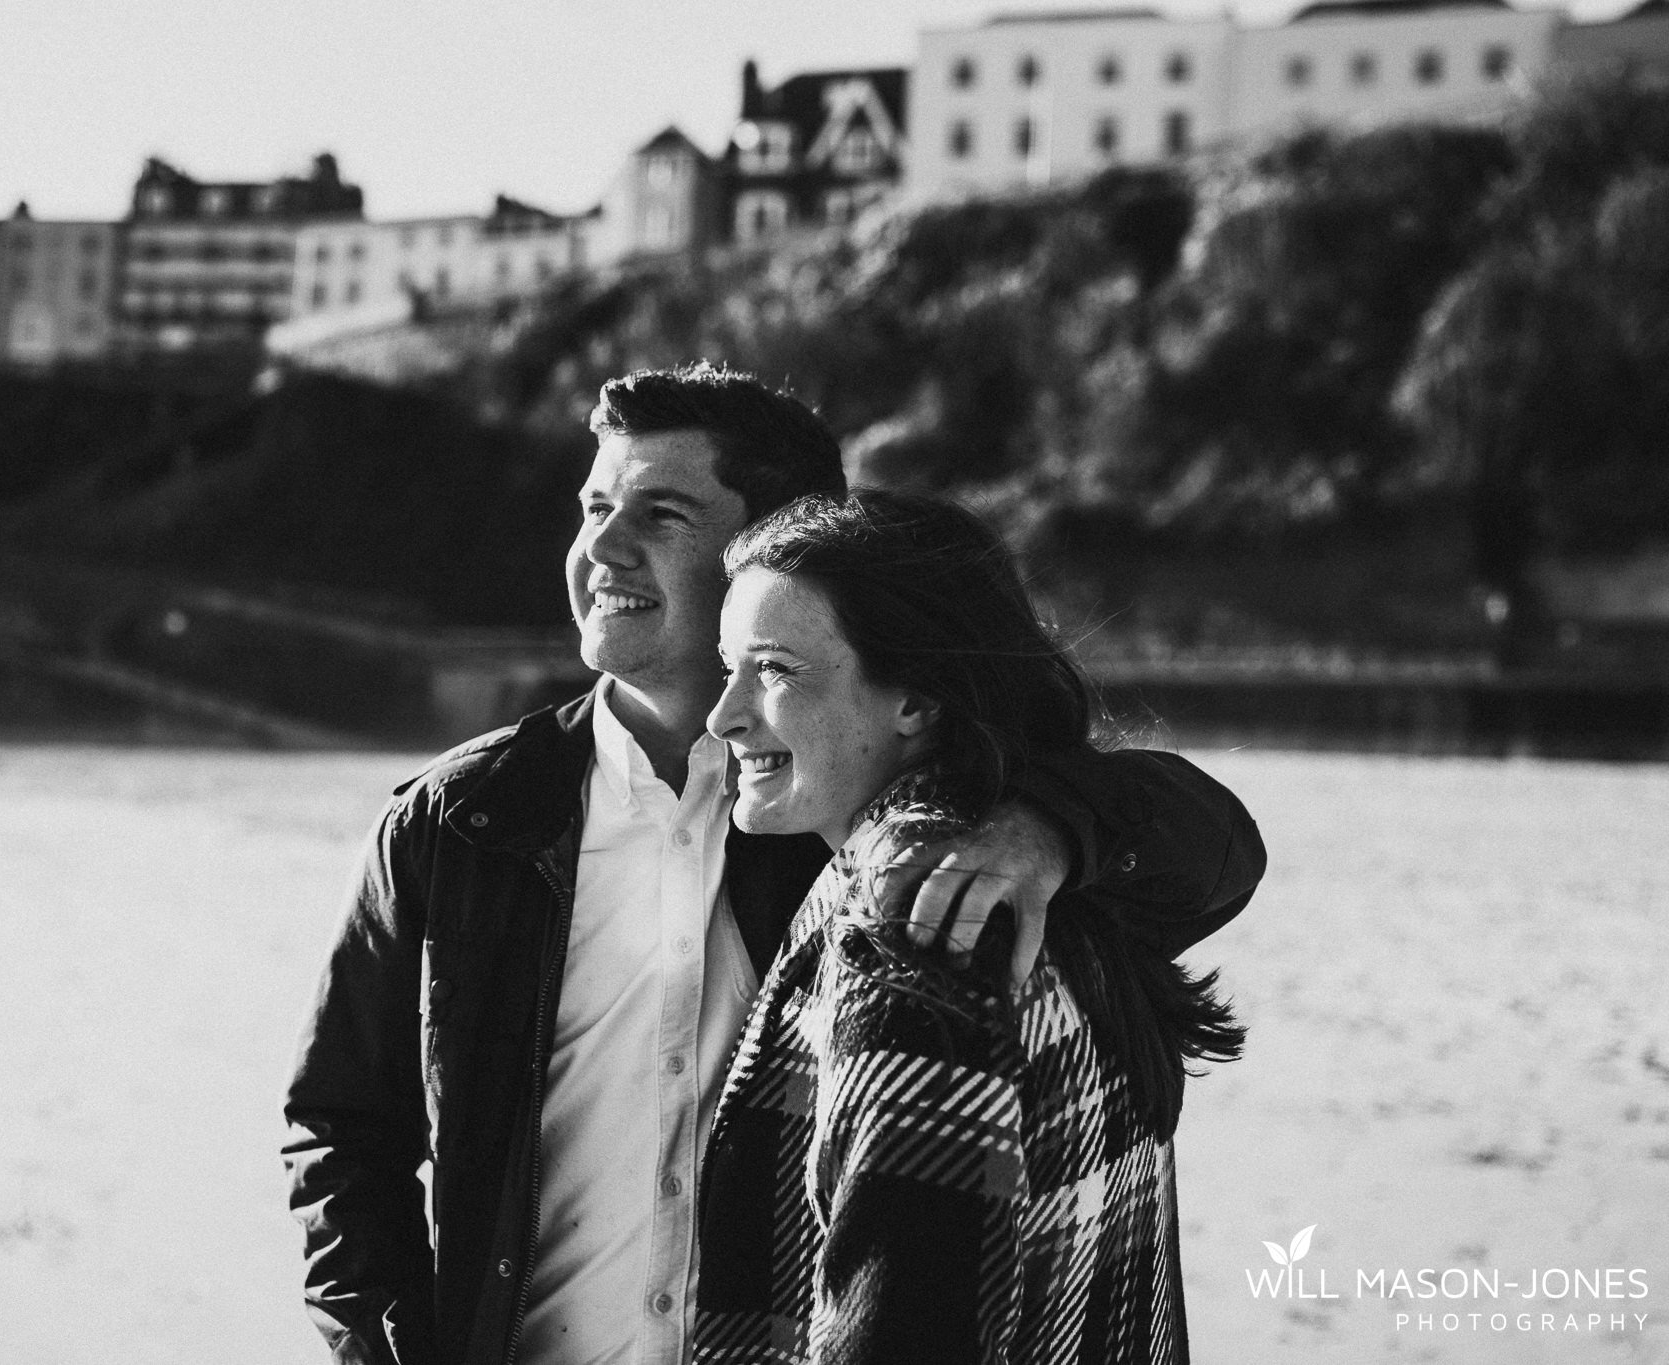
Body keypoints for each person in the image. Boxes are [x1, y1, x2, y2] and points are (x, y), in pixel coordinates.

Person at [283, 363, 1264, 1365]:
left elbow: (1215, 844)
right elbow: (339, 1126)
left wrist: (1049, 825)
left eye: (659, 514)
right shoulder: (459, 820)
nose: (600, 548)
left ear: (783, 537)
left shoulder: (863, 811)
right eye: (592, 506)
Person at [696, 490, 1247, 1364]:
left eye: (774, 670)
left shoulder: (919, 936)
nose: (723, 713)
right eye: (726, 667)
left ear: (915, 698)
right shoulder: (1041, 873)